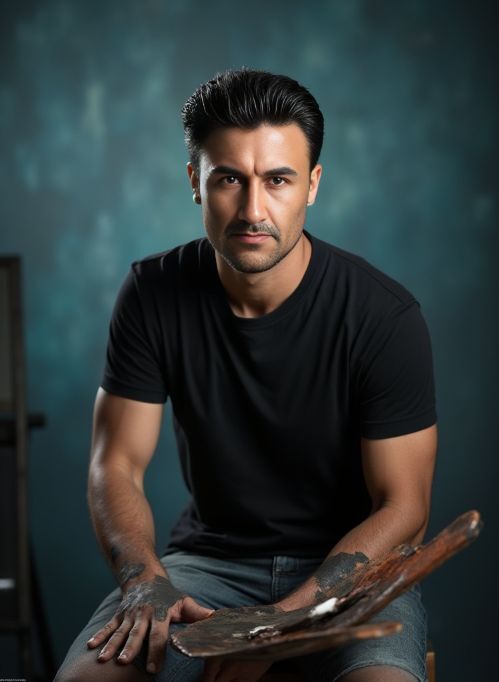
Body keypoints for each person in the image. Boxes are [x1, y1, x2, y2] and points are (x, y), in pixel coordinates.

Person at [55, 68, 437, 682]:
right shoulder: (152, 294)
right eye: (229, 178)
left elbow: (404, 506)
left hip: (352, 573)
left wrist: (277, 625)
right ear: (195, 182)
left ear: (312, 185)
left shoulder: (383, 315)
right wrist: (145, 580)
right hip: (208, 565)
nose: (253, 210)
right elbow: (115, 463)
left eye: (278, 180)